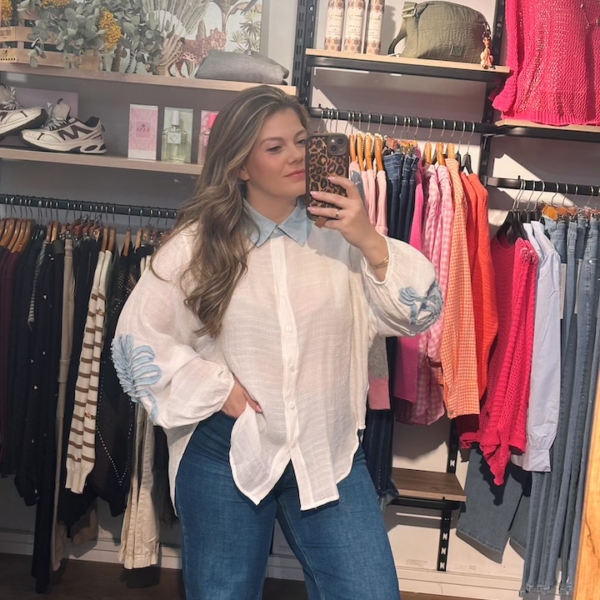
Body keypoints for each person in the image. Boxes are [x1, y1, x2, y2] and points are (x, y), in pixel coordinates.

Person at [112, 86, 441, 600]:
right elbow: (136, 338)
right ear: (241, 165)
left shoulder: (343, 238)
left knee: (370, 591)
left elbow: (420, 311)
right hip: (227, 450)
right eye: (275, 147)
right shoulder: (199, 244)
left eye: (302, 141)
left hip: (327, 449)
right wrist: (218, 389)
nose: (296, 156)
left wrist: (369, 238)